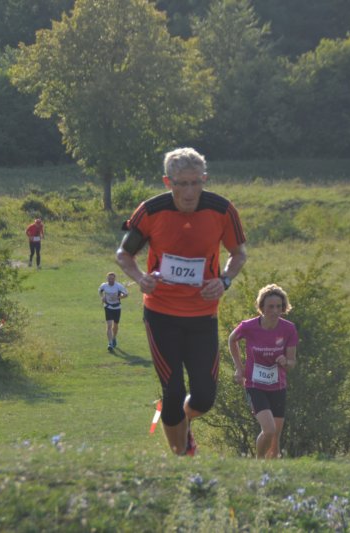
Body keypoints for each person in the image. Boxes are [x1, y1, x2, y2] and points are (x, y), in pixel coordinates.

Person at [116, 147, 247, 456]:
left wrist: (224, 280)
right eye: (182, 184)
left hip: (203, 315)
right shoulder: (151, 211)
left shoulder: (221, 210)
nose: (189, 192)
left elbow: (238, 253)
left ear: (204, 179)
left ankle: (182, 425)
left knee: (204, 397)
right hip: (161, 313)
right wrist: (140, 278)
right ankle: (180, 457)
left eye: (196, 183)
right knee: (173, 391)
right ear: (168, 182)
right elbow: (124, 254)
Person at [228, 284, 298, 459]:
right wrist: (239, 368)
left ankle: (270, 472)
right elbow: (232, 339)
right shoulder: (248, 326)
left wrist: (286, 362)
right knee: (269, 430)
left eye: (279, 306)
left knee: (275, 441)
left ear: (284, 307)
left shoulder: (289, 329)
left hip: (278, 386)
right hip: (255, 385)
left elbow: (292, 363)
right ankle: (258, 464)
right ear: (261, 307)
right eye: (270, 307)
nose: (275, 311)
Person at [98, 272, 128, 352]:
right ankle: (110, 343)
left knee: (115, 325)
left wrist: (119, 297)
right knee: (109, 325)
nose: (111, 280)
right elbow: (100, 291)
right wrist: (102, 298)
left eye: (112, 278)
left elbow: (126, 294)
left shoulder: (119, 286)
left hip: (117, 307)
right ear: (107, 278)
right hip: (108, 307)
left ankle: (114, 337)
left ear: (115, 279)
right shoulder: (104, 286)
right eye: (109, 278)